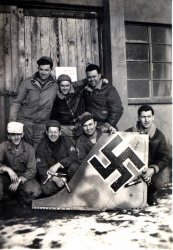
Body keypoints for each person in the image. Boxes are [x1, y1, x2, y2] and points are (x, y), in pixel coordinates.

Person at [9, 56, 58, 149]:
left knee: (38, 152)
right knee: (22, 151)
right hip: (24, 123)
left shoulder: (55, 85)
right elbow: (17, 103)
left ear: (51, 70)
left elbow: (68, 87)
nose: (43, 73)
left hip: (41, 126)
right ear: (38, 68)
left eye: (46, 70)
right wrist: (12, 123)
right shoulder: (27, 83)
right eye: (41, 69)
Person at [126, 105, 169, 206]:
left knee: (156, 185)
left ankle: (151, 193)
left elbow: (164, 157)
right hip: (133, 169)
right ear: (138, 118)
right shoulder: (128, 133)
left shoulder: (159, 136)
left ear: (153, 117)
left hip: (150, 171)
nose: (146, 120)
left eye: (149, 116)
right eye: (143, 117)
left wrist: (153, 169)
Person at [0, 122, 41, 210]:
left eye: (18, 134)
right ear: (9, 136)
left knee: (36, 191)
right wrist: (8, 170)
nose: (16, 137)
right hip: (8, 177)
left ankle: (19, 196)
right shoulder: (3, 146)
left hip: (24, 178)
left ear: (22, 135)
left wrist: (18, 181)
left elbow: (32, 170)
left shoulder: (29, 148)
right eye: (13, 135)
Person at [36, 120, 79, 197]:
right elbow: (42, 169)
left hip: (67, 173)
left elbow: (74, 157)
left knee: (75, 167)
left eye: (55, 132)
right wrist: (55, 179)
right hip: (52, 176)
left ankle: (74, 191)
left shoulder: (66, 140)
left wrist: (59, 164)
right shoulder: (41, 147)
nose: (53, 134)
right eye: (50, 132)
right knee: (47, 189)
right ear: (46, 133)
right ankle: (60, 195)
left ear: (60, 132)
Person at [83, 64, 124, 131]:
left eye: (94, 76)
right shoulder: (86, 90)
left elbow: (117, 109)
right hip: (90, 127)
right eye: (89, 77)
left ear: (99, 75)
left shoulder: (108, 89)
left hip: (104, 126)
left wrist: (108, 125)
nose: (92, 79)